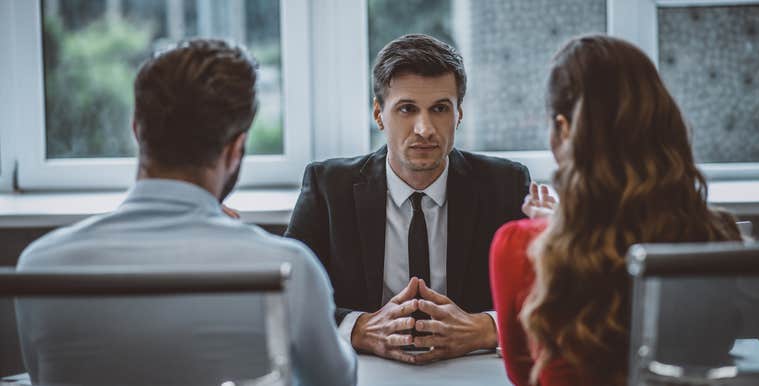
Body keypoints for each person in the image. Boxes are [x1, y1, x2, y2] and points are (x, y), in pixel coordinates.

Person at [16, 39, 356, 386]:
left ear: (136, 129)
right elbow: (335, 381)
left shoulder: (39, 265)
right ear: (235, 149)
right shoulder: (288, 270)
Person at [489, 34, 743, 386]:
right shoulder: (716, 238)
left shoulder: (520, 246)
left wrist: (550, 229)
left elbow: (522, 375)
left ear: (564, 130)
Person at [285, 34, 531, 363]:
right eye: (407, 109)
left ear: (459, 113)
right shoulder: (329, 187)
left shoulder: (506, 185)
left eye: (440, 109)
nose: (424, 128)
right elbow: (287, 296)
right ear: (378, 114)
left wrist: (486, 328)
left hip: (474, 370)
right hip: (364, 371)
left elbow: (546, 299)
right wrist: (357, 329)